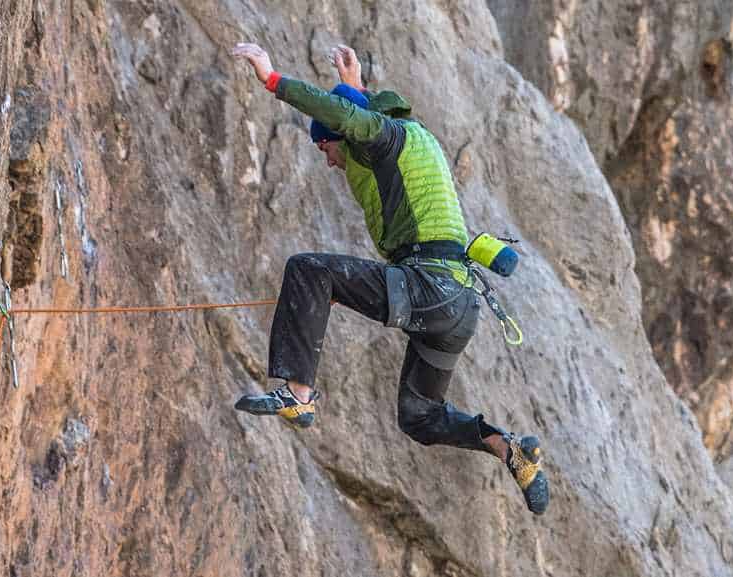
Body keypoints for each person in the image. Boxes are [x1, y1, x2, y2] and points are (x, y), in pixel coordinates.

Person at [230, 42, 549, 514]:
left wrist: (272, 79)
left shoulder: (380, 137)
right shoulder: (412, 137)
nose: (328, 160)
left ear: (342, 135)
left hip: (428, 288)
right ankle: (509, 449)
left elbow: (348, 117)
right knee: (419, 416)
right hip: (459, 307)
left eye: (326, 146)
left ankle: (297, 395)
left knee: (309, 269)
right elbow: (359, 114)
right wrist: (357, 87)